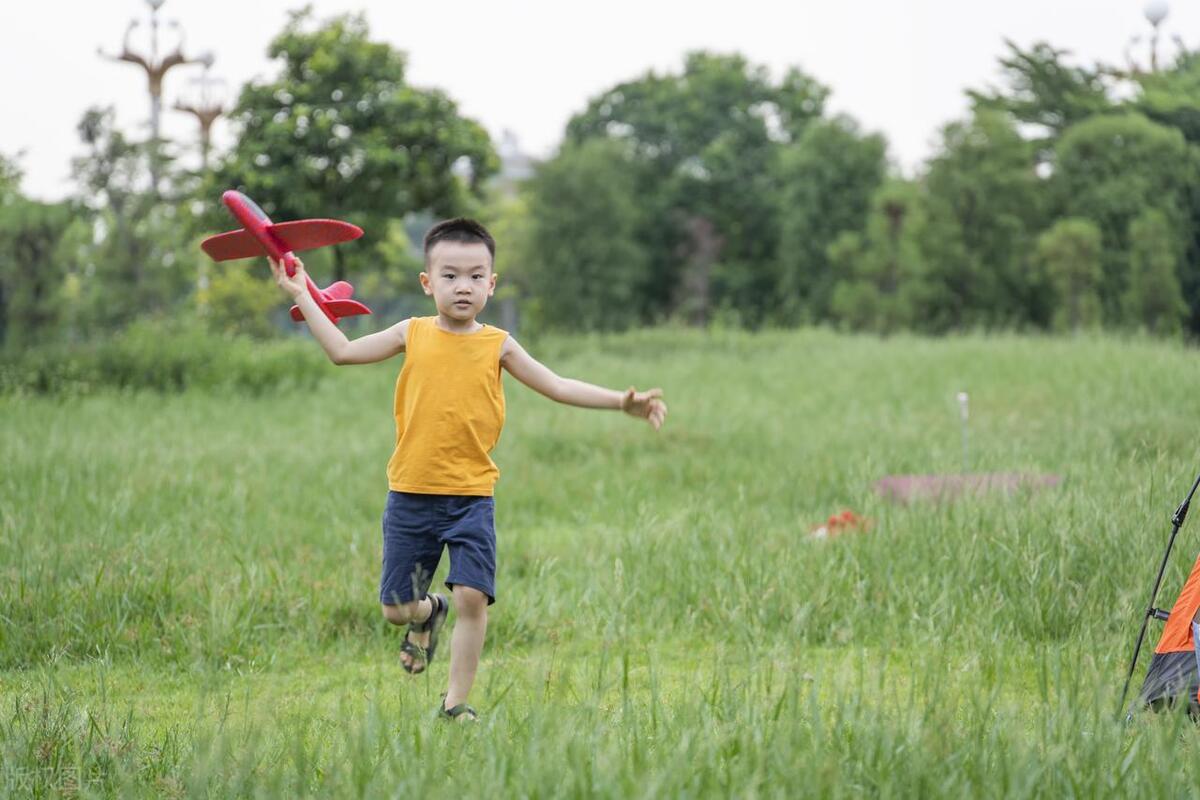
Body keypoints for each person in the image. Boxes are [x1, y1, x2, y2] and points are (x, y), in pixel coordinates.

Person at [269, 218, 667, 722]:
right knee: (396, 610)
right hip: (410, 494)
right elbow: (342, 351)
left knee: (474, 598)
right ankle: (428, 612)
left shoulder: (497, 343)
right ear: (427, 282)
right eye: (451, 275)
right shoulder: (409, 333)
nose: (464, 286)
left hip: (471, 497)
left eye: (477, 276)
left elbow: (559, 385)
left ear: (492, 284)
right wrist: (299, 288)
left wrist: (620, 402)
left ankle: (455, 705)